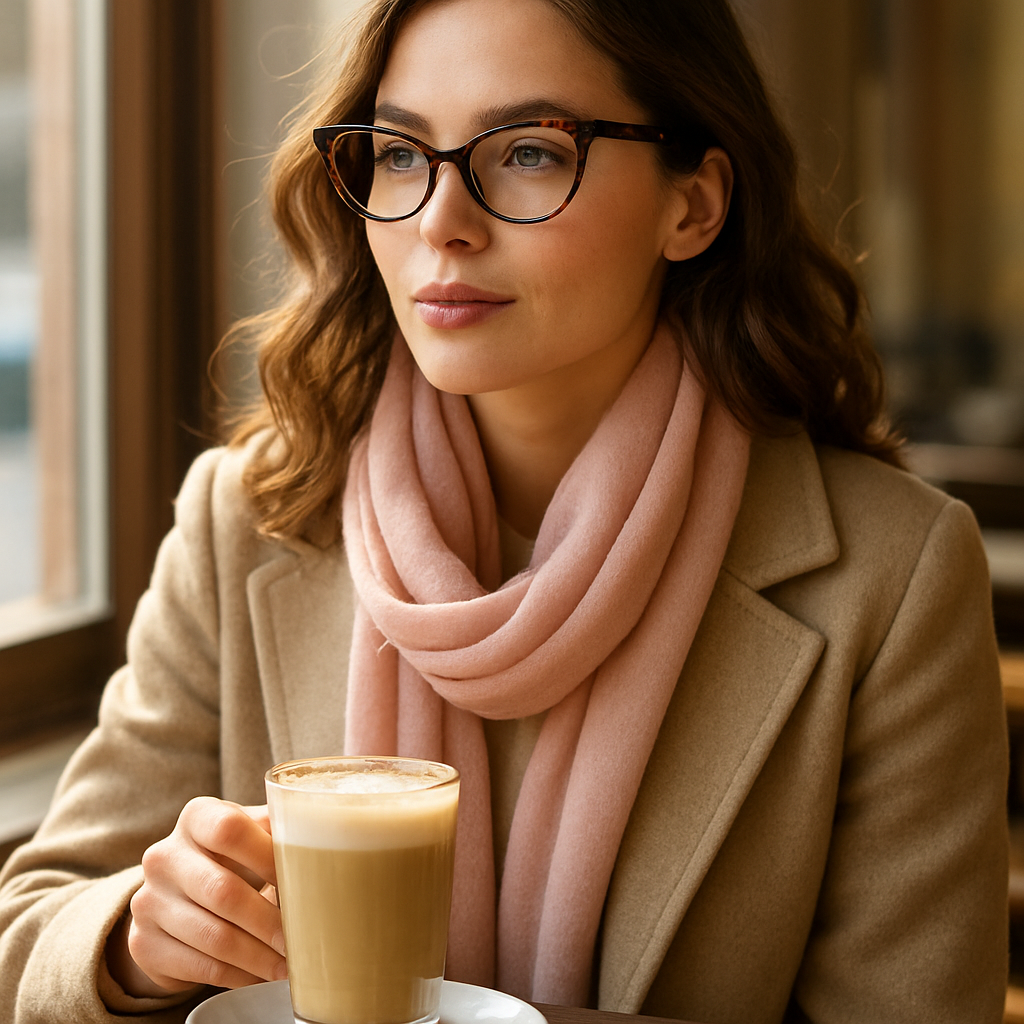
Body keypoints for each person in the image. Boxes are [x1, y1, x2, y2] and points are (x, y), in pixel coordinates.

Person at [0, 0, 1009, 1021]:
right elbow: (29, 934)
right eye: (398, 155)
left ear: (692, 206)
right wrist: (138, 938)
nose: (441, 218)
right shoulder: (252, 514)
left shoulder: (892, 576)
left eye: (527, 151)